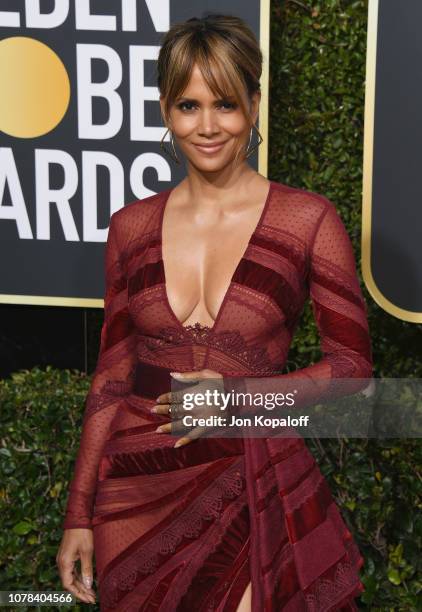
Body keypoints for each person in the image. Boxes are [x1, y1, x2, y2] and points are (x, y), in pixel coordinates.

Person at [56, 13, 372, 611]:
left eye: (225, 104)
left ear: (254, 106)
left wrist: (240, 396)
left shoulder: (308, 221)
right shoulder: (130, 227)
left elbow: (352, 367)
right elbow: (111, 379)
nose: (207, 126)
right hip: (135, 488)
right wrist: (79, 513)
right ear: (165, 110)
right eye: (188, 105)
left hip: (249, 477)